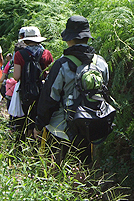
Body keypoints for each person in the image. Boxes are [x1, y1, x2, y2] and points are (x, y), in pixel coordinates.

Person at [34, 15, 109, 165]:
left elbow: (49, 98)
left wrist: (39, 125)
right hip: (90, 126)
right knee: (82, 167)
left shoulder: (62, 65)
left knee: (57, 167)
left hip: (60, 129)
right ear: (87, 38)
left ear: (69, 39)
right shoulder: (101, 63)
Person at [12, 26, 53, 140]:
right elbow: (50, 72)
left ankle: (26, 140)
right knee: (39, 115)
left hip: (26, 90)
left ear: (25, 40)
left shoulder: (19, 54)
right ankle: (39, 142)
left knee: (26, 116)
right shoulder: (46, 53)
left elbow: (16, 76)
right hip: (43, 90)